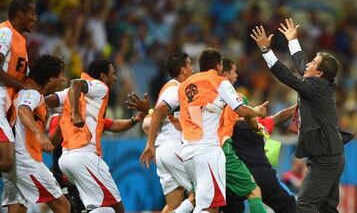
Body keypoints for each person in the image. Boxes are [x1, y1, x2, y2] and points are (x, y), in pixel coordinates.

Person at [250, 18, 345, 213]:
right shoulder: (319, 83)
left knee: (305, 205)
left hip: (325, 159)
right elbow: (302, 64)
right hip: (329, 156)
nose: (308, 63)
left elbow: (287, 76)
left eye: (313, 62)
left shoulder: (315, 86)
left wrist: (266, 51)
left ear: (318, 73)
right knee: (327, 208)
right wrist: (292, 40)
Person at [162, 48, 268, 213]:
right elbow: (241, 110)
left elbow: (171, 111)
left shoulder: (184, 86)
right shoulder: (219, 82)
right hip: (208, 151)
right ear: (219, 66)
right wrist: (258, 112)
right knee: (211, 207)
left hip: (188, 152)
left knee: (203, 204)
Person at [45, 88, 147, 213]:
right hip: (65, 177)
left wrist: (134, 120)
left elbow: (113, 124)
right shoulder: (57, 118)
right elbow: (52, 144)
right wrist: (63, 122)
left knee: (100, 208)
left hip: (81, 170)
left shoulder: (89, 116)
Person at [220, 58, 298, 213]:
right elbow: (278, 118)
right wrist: (298, 106)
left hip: (232, 177)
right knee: (289, 205)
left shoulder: (221, 128)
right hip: (263, 175)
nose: (236, 75)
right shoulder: (254, 124)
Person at [1, 55, 70, 213]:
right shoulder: (31, 94)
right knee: (63, 206)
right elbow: (23, 111)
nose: (63, 80)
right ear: (51, 79)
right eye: (61, 75)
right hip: (26, 162)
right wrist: (39, 135)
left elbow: (48, 146)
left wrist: (61, 124)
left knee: (17, 208)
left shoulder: (33, 97)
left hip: (16, 163)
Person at [57, 59, 125, 213]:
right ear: (103, 76)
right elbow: (76, 83)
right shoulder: (101, 87)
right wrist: (74, 114)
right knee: (117, 208)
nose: (115, 78)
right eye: (113, 74)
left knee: (102, 209)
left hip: (66, 158)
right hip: (84, 155)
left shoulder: (72, 95)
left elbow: (49, 100)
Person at [139, 52, 195, 213]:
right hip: (174, 149)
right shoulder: (177, 89)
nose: (193, 67)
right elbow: (157, 111)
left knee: (173, 204)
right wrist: (150, 144)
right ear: (183, 69)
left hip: (163, 150)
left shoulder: (168, 88)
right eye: (190, 64)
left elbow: (147, 123)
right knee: (200, 194)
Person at [218, 58, 266, 213]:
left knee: (203, 202)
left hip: (198, 151)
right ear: (225, 73)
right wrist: (257, 117)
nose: (237, 75)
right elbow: (249, 119)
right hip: (224, 151)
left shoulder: (203, 94)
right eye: (234, 71)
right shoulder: (238, 98)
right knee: (253, 190)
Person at [0, 0, 38, 173]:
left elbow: (23, 78)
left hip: (6, 103)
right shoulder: (5, 32)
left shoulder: (20, 40)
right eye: (32, 13)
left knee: (10, 165)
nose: (35, 18)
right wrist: (23, 86)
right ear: (20, 14)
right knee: (7, 162)